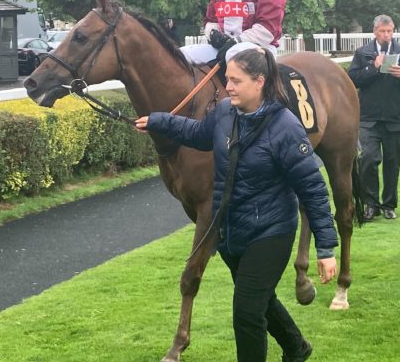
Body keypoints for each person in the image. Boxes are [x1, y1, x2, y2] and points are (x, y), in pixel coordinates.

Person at [135, 48, 337, 362]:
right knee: (261, 299)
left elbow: (313, 189)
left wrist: (325, 249)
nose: (227, 86)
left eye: (235, 80)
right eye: (227, 78)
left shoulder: (285, 126)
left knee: (246, 312)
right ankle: (297, 347)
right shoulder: (225, 112)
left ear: (260, 82)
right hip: (230, 231)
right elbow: (199, 133)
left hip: (271, 232)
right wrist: (160, 122)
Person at [348, 15, 400, 221]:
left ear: (393, 31)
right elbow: (353, 79)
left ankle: (389, 204)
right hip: (368, 118)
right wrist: (373, 68)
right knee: (368, 159)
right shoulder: (363, 54)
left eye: (389, 31)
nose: (386, 35)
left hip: (396, 118)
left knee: (392, 162)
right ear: (375, 31)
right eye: (382, 31)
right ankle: (371, 204)